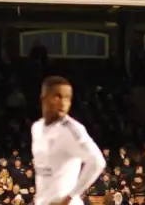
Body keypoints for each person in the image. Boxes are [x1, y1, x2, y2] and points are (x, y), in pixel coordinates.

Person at [32, 76, 106, 205]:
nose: (63, 102)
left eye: (67, 98)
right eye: (58, 96)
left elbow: (97, 162)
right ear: (44, 98)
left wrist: (70, 197)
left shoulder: (72, 130)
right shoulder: (37, 128)